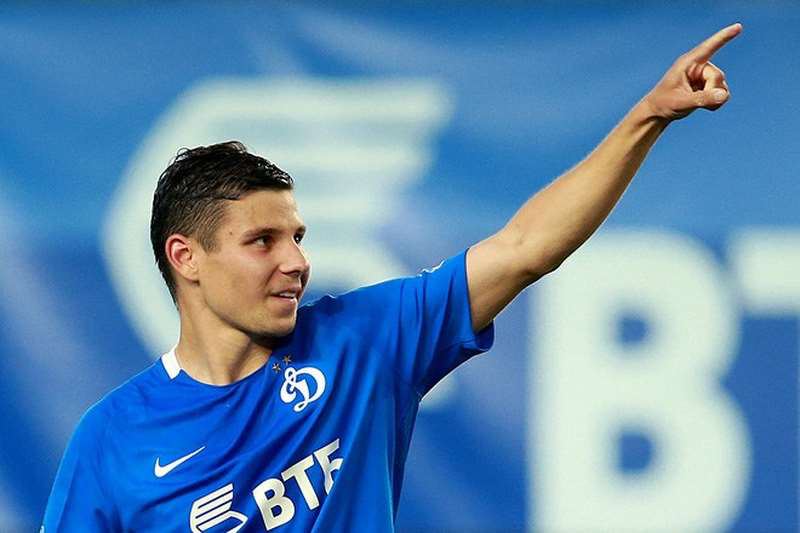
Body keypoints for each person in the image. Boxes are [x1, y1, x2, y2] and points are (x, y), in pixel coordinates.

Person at [43, 23, 742, 532]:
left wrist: (649, 116)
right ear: (185, 257)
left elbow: (525, 248)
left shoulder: (363, 341)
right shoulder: (110, 440)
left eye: (297, 237)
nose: (296, 261)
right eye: (262, 241)